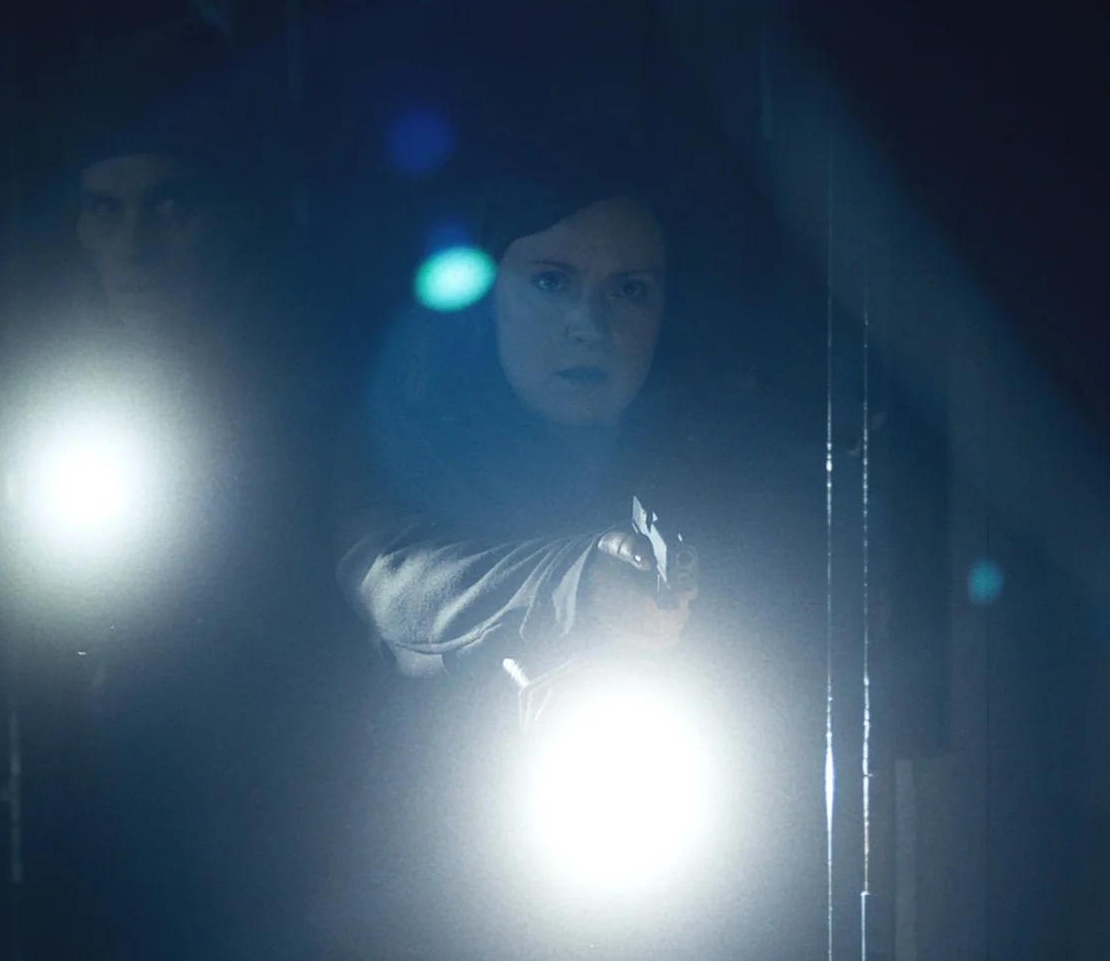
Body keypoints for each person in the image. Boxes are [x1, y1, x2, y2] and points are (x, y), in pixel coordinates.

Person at [313, 141, 829, 960]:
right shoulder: (402, 441)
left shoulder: (729, 468)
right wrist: (574, 580)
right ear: (493, 293)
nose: (590, 324)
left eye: (629, 289)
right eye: (551, 282)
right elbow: (398, 584)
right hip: (438, 897)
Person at [14, 20, 348, 961]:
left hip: (273, 831)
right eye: (104, 208)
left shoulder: (318, 387)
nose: (135, 244)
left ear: (233, 209)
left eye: (171, 204)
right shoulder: (38, 382)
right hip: (94, 835)